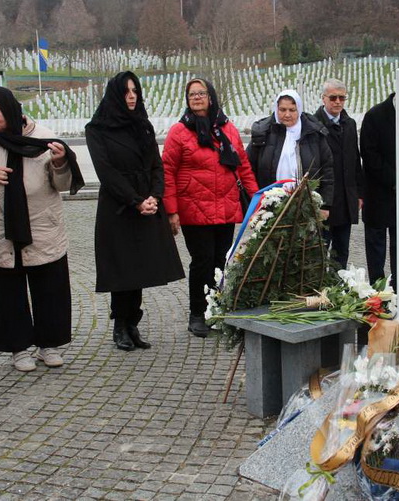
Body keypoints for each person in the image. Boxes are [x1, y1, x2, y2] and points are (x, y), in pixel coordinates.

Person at [0, 86, 84, 372]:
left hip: (42, 226)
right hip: (0, 228)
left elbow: (63, 185)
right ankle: (18, 347)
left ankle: (49, 345)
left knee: (49, 288)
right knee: (7, 292)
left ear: (10, 108)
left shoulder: (41, 137)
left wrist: (60, 162)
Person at [86, 71, 184, 351]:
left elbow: (156, 164)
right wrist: (136, 201)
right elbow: (107, 172)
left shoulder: (143, 125)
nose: (132, 96)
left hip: (146, 204)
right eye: (127, 91)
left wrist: (154, 196)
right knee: (122, 268)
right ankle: (120, 324)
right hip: (119, 207)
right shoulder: (97, 129)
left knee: (140, 267)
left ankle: (133, 324)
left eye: (135, 91)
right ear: (116, 94)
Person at [163, 78, 258, 338]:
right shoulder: (179, 132)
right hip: (193, 208)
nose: (196, 98)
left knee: (221, 261)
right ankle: (197, 313)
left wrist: (256, 198)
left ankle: (217, 309)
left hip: (225, 207)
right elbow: (168, 171)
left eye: (201, 93)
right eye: (192, 94)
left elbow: (243, 166)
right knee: (202, 262)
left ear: (211, 96)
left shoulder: (228, 129)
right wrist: (171, 210)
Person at [247, 89, 334, 214]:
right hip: (268, 205)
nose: (287, 114)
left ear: (299, 109)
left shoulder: (314, 134)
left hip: (306, 206)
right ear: (276, 109)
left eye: (292, 110)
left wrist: (325, 205)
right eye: (282, 110)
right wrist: (255, 199)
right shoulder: (262, 133)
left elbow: (327, 170)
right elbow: (248, 168)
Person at [313, 79, 364, 269]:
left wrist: (359, 193)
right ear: (323, 98)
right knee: (320, 250)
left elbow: (355, 159)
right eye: (333, 97)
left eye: (342, 98)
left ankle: (338, 290)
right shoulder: (313, 124)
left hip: (345, 196)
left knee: (342, 250)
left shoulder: (349, 124)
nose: (337, 102)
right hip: (324, 198)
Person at [360, 92, 396, 289]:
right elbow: (369, 154)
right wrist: (395, 180)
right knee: (376, 246)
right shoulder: (375, 115)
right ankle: (377, 289)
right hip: (378, 193)